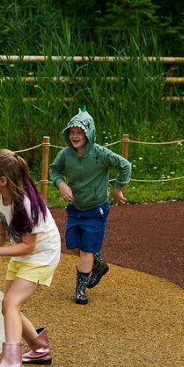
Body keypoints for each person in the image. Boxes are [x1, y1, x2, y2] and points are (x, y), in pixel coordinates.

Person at [0, 149, 61, 367]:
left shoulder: (25, 204)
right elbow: (3, 237)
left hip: (41, 254)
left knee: (10, 303)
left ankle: (11, 365)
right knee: (8, 306)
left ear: (2, 181)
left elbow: (29, 246)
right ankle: (39, 349)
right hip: (22, 251)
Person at [49, 107, 132, 305]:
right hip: (75, 209)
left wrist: (118, 189)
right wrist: (61, 184)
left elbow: (125, 165)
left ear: (89, 134)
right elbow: (54, 170)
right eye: (72, 132)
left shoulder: (100, 154)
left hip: (96, 209)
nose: (75, 136)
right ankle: (99, 264)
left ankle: (80, 290)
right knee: (73, 246)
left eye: (79, 132)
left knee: (86, 249)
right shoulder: (65, 154)